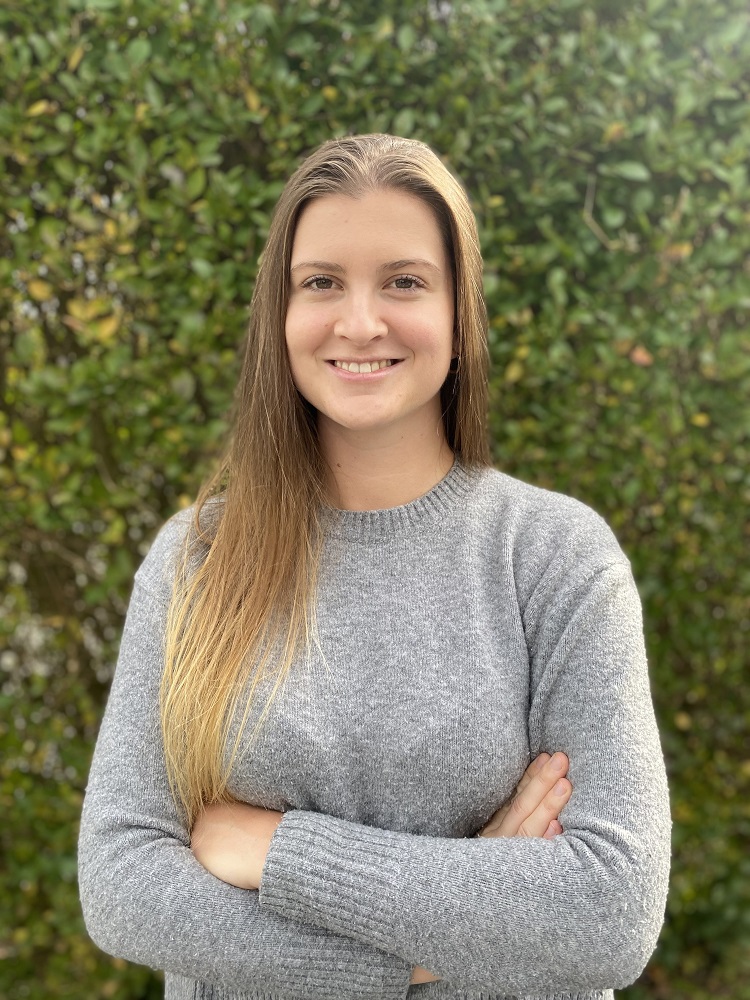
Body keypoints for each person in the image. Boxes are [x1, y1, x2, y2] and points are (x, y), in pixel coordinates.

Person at [78, 133, 671, 1000]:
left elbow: (609, 912)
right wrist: (434, 951)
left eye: (404, 281)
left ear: (459, 315)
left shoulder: (554, 558)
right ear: (280, 316)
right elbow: (122, 883)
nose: (360, 323)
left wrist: (277, 849)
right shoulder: (198, 559)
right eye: (322, 282)